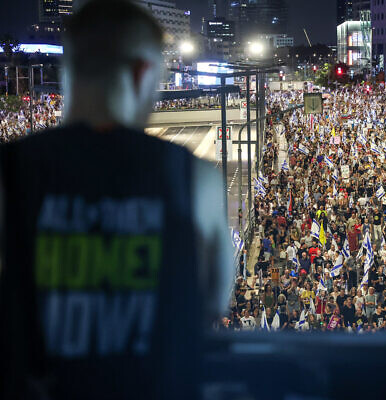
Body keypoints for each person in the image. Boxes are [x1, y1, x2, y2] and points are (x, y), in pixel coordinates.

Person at [0, 2, 234, 399]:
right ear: (143, 72)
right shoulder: (194, 179)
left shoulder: (9, 173)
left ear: (69, 69)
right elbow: (214, 300)